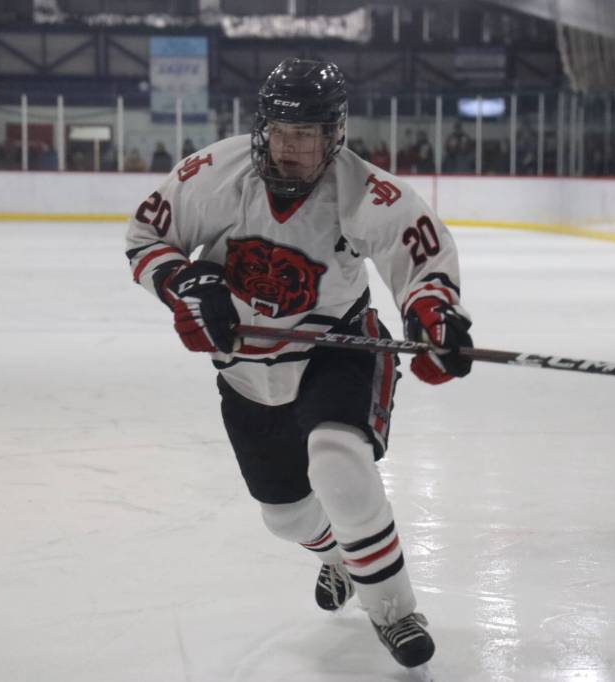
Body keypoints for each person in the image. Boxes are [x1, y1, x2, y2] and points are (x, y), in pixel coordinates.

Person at [125, 58, 473, 670]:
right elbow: (147, 238)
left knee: (338, 463)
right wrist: (187, 284)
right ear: (263, 128)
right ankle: (337, 557)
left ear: (333, 135)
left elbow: (418, 255)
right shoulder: (217, 172)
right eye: (281, 134)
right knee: (285, 518)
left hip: (336, 350)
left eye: (305, 137)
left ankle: (393, 609)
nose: (288, 150)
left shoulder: (363, 189)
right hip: (247, 372)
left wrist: (433, 315)